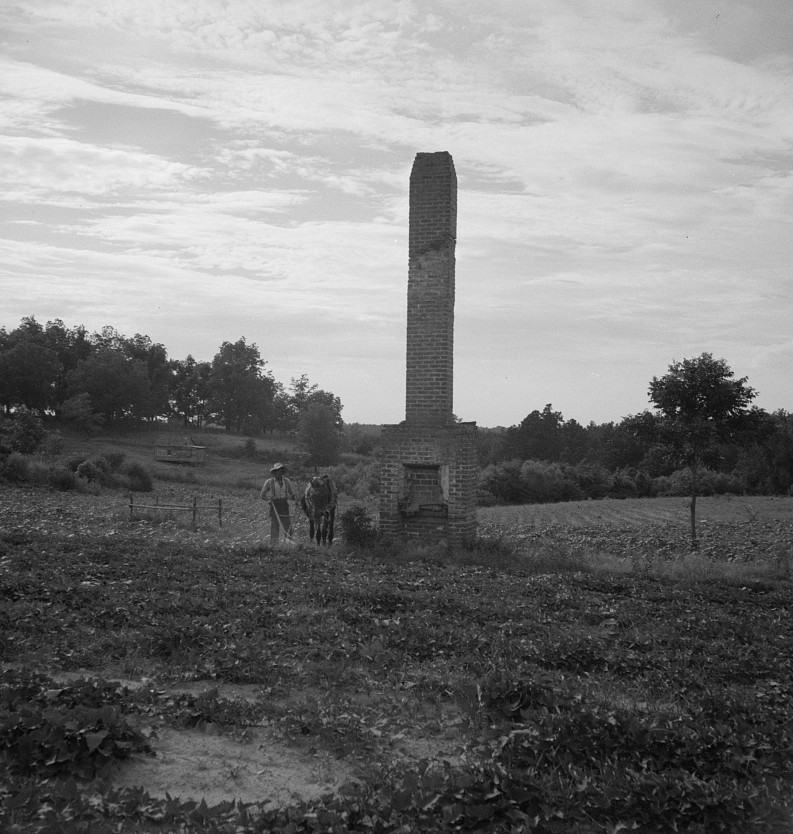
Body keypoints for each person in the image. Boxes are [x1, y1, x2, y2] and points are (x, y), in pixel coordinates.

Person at [260, 463, 297, 545]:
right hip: (275, 504)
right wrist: (268, 500)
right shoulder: (269, 482)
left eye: (281, 471)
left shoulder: (286, 481)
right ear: (275, 472)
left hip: (284, 504)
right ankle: (274, 545)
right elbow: (262, 494)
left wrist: (296, 498)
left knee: (287, 525)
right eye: (278, 471)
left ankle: (288, 543)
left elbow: (291, 493)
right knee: (275, 525)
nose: (280, 472)